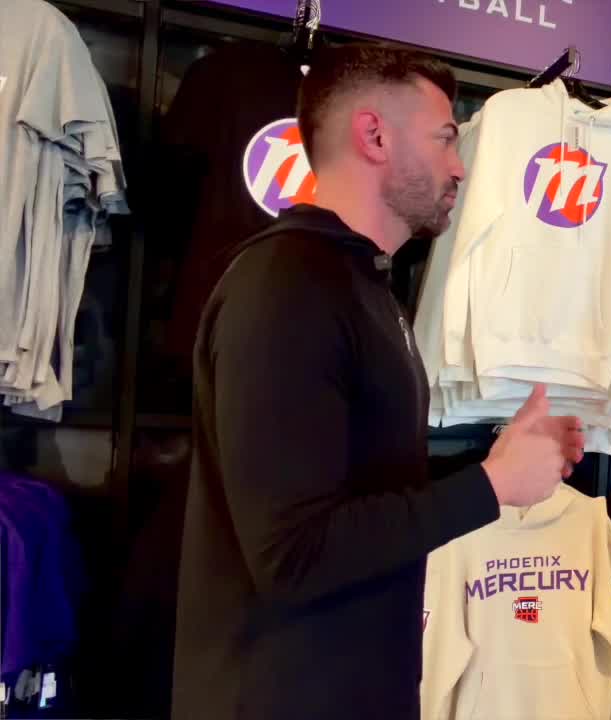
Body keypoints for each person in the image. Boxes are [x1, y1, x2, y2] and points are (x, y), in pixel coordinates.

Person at [171, 45, 585, 720]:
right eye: (445, 139)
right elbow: (292, 554)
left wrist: (501, 463)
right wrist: (492, 485)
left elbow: (366, 492)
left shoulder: (362, 283)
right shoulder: (287, 286)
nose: (460, 166)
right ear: (375, 136)